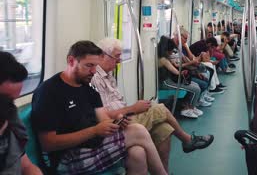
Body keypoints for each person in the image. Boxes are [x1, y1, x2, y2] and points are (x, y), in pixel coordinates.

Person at [31, 41, 167, 174]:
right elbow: (48, 143)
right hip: (67, 158)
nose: (93, 71)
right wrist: (94, 131)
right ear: (71, 61)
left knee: (138, 153)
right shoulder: (48, 92)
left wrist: (116, 121)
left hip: (91, 144)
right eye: (89, 65)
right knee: (138, 130)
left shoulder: (88, 89)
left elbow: (104, 120)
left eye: (95, 66)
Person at [92, 38, 214, 172]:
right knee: (159, 108)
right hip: (116, 123)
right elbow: (104, 115)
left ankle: (166, 169)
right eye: (116, 57)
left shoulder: (108, 75)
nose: (119, 61)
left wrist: (131, 110)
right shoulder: (95, 79)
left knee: (164, 129)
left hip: (125, 116)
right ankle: (187, 140)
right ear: (102, 55)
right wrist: (132, 108)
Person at [0, 51, 42, 175]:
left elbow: (26, 166)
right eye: (3, 99)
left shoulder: (9, 119)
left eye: (11, 101)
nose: (9, 106)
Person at [158, 36, 204, 118]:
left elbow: (175, 65)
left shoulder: (166, 57)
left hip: (170, 80)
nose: (172, 52)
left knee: (196, 85)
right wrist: (182, 72)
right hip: (166, 83)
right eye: (171, 50)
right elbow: (176, 71)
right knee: (195, 89)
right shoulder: (163, 60)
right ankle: (187, 110)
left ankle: (190, 107)